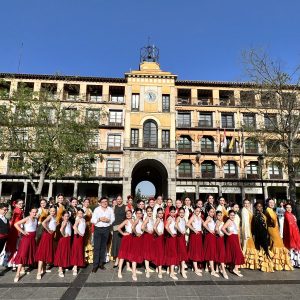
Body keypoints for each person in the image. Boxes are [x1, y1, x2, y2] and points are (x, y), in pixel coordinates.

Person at [266, 199, 293, 271]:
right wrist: (274, 223)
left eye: (272, 202)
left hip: (274, 229)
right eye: (270, 202)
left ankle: (276, 263)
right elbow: (273, 218)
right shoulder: (268, 210)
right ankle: (276, 264)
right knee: (277, 244)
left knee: (275, 244)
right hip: (272, 229)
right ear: (267, 203)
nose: (272, 204)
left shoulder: (271, 210)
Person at [13, 207, 38, 283]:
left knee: (28, 253)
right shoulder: (27, 218)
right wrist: (23, 231)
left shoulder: (36, 219)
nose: (34, 213)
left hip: (32, 239)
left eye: (35, 212)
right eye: (33, 212)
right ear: (30, 212)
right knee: (23, 254)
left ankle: (23, 269)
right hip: (26, 239)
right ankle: (17, 274)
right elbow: (16, 224)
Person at [91, 197, 115, 273]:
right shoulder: (97, 209)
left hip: (106, 229)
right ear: (100, 202)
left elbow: (113, 218)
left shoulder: (110, 209)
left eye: (106, 201)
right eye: (103, 201)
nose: (105, 203)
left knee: (103, 247)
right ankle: (95, 265)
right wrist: (99, 219)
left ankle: (101, 264)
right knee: (97, 247)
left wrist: (108, 220)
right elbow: (92, 220)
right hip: (98, 229)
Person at [35, 206, 57, 279]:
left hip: (50, 237)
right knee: (42, 254)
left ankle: (43, 269)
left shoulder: (54, 217)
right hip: (46, 236)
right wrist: (48, 230)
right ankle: (38, 272)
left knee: (45, 253)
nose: (52, 212)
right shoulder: (50, 216)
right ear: (49, 211)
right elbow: (43, 223)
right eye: (51, 211)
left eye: (54, 211)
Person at [252, 202, 274, 272]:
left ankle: (266, 266)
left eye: (261, 206)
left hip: (264, 233)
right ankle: (265, 266)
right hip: (261, 235)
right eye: (258, 206)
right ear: (255, 207)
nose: (260, 208)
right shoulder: (256, 215)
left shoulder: (262, 214)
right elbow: (256, 227)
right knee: (265, 249)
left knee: (265, 249)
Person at [222, 210, 245, 277]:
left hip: (235, 238)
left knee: (235, 253)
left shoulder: (232, 221)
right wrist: (228, 234)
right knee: (238, 253)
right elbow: (223, 228)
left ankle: (234, 268)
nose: (232, 216)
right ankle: (235, 269)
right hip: (232, 238)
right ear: (229, 215)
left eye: (233, 215)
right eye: (231, 215)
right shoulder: (229, 221)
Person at [5, 199, 24, 267]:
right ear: (16, 204)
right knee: (16, 245)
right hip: (16, 229)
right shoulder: (17, 210)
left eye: (22, 203)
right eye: (20, 204)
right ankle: (13, 263)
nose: (21, 205)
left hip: (15, 228)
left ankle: (10, 263)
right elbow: (14, 220)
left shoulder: (17, 210)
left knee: (14, 245)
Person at [54, 211, 72, 277]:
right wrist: (64, 235)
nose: (66, 217)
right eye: (65, 216)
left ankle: (62, 267)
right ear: (62, 217)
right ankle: (60, 269)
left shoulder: (68, 222)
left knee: (65, 253)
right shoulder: (64, 222)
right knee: (62, 253)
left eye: (67, 216)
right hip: (64, 240)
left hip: (67, 239)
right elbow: (61, 229)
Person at [241, 199, 258, 270]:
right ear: (243, 204)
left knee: (248, 245)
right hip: (247, 230)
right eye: (245, 203)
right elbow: (245, 222)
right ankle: (243, 262)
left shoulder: (249, 210)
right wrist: (246, 233)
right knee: (247, 246)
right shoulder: (244, 210)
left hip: (250, 230)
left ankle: (247, 262)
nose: (246, 204)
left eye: (248, 203)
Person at [186, 206, 204, 276]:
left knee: (197, 250)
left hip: (199, 235)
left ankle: (195, 267)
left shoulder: (199, 217)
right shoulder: (193, 217)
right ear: (194, 211)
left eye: (199, 211)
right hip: (195, 235)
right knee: (195, 251)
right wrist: (194, 229)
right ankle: (196, 269)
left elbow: (204, 223)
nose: (198, 212)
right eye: (196, 211)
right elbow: (188, 224)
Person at [117, 210, 134, 279]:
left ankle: (128, 267)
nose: (128, 215)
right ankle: (119, 271)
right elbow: (118, 228)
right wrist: (123, 233)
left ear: (131, 214)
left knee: (129, 252)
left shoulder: (133, 220)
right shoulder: (126, 221)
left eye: (129, 213)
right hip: (126, 238)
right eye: (127, 214)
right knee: (123, 254)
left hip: (132, 238)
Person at [129, 208, 144, 281]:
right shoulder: (137, 220)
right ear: (136, 214)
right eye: (137, 213)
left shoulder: (141, 220)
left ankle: (134, 270)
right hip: (136, 239)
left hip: (140, 239)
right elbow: (132, 227)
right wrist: (136, 233)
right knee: (135, 255)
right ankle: (134, 273)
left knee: (137, 254)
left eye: (140, 213)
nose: (139, 214)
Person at [203, 207, 219, 277]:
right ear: (208, 212)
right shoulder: (209, 218)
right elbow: (204, 224)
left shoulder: (211, 218)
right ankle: (212, 270)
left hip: (212, 236)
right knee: (211, 252)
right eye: (211, 212)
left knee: (211, 252)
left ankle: (208, 267)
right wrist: (210, 230)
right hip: (210, 236)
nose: (212, 213)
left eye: (213, 212)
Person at [283, 203, 300, 268]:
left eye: (290, 207)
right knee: (293, 248)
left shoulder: (291, 214)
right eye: (287, 207)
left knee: (295, 249)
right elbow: (290, 226)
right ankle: (293, 263)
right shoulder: (287, 215)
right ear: (285, 208)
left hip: (295, 233)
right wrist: (292, 235)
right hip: (291, 234)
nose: (289, 209)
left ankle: (295, 263)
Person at [111, 195, 126, 268]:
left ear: (122, 200)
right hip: (115, 227)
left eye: (120, 199)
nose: (119, 200)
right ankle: (117, 259)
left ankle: (121, 259)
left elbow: (128, 216)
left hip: (122, 227)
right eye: (118, 199)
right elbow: (112, 218)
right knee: (116, 244)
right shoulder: (114, 207)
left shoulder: (125, 207)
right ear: (116, 200)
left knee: (121, 244)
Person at [164, 206, 178, 280]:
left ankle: (170, 270)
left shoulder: (173, 218)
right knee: (172, 254)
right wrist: (171, 233)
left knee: (171, 254)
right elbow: (166, 227)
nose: (172, 213)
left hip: (173, 237)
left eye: (174, 212)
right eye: (171, 212)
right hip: (171, 238)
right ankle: (171, 273)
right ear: (169, 212)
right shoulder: (169, 218)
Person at [71, 209, 86, 275]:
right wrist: (79, 233)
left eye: (81, 213)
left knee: (79, 250)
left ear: (83, 214)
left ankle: (77, 264)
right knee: (76, 251)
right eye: (79, 213)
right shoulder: (78, 220)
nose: (80, 214)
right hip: (77, 237)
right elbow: (74, 226)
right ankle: (75, 267)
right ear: (77, 214)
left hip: (81, 238)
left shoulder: (83, 220)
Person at [142, 206, 155, 278]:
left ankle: (148, 268)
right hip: (147, 237)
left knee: (149, 251)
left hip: (151, 237)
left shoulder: (152, 218)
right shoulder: (147, 218)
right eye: (148, 211)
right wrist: (148, 231)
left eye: (150, 211)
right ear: (146, 212)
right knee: (147, 252)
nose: (149, 212)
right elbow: (142, 227)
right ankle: (147, 269)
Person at [215, 211, 228, 279]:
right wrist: (219, 234)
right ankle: (223, 270)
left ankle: (217, 267)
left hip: (221, 238)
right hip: (219, 238)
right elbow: (216, 229)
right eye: (218, 215)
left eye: (220, 215)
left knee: (218, 252)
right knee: (221, 253)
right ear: (216, 216)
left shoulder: (221, 221)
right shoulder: (218, 221)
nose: (219, 216)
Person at [176, 207, 188, 279]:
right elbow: (176, 225)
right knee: (182, 252)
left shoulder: (184, 218)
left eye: (182, 212)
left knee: (182, 252)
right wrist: (180, 231)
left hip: (183, 237)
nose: (181, 214)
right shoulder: (178, 218)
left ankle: (181, 268)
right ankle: (182, 270)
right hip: (179, 237)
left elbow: (186, 226)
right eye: (180, 212)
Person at [153, 208, 165, 278]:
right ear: (157, 214)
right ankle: (160, 271)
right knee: (159, 253)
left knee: (159, 253)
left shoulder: (161, 219)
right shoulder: (158, 219)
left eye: (162, 213)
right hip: (159, 238)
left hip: (161, 238)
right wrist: (158, 233)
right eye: (159, 213)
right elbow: (154, 227)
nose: (161, 214)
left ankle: (157, 268)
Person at [82, 198, 93, 264]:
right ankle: (84, 257)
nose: (87, 203)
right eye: (85, 202)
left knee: (89, 240)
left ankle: (89, 258)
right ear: (83, 203)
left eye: (88, 202)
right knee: (84, 241)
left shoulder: (90, 209)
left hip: (89, 227)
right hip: (83, 227)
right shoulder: (82, 209)